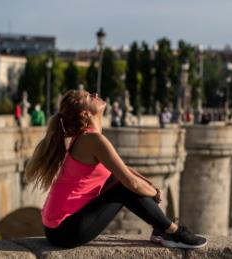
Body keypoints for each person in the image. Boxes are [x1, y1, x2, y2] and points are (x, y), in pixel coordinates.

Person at [24, 90, 207, 249]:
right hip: (64, 231)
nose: (95, 95)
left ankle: (162, 229)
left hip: (55, 228)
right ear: (86, 114)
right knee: (123, 188)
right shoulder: (92, 141)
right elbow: (131, 183)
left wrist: (148, 185)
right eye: (89, 97)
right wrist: (153, 191)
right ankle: (174, 232)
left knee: (119, 182)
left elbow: (120, 169)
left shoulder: (84, 139)